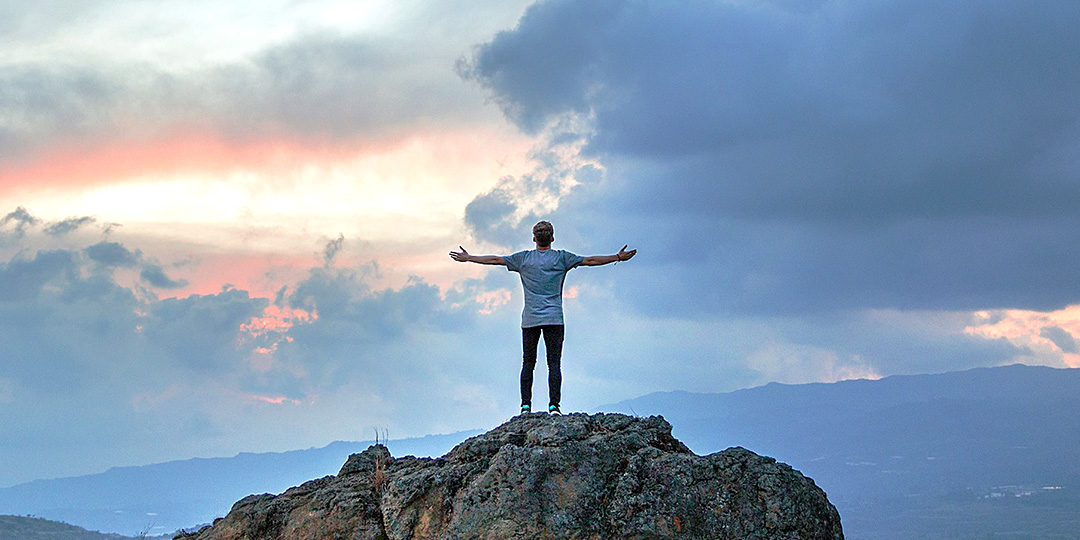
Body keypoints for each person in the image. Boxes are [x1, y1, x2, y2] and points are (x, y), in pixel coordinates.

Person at [449, 220, 636, 416]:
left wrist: (469, 258)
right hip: (554, 318)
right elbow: (590, 261)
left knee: (528, 363)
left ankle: (525, 407)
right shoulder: (562, 258)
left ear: (534, 238)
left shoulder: (523, 259)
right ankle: (554, 406)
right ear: (552, 238)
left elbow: (496, 260)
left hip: (530, 319)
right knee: (554, 363)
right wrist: (617, 257)